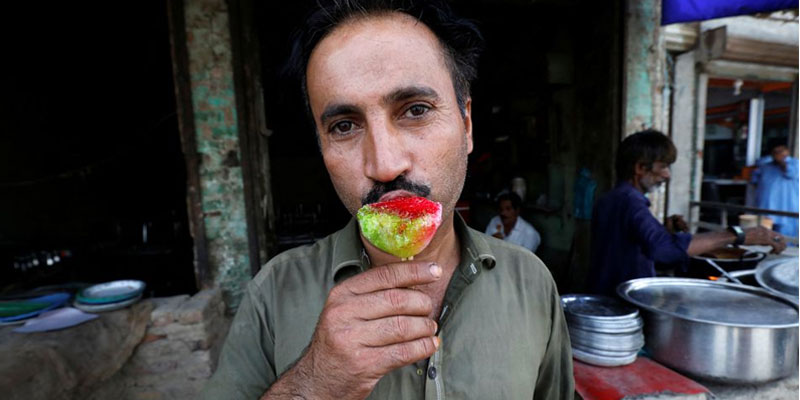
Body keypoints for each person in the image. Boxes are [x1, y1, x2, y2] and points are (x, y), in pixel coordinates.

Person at [202, 1, 573, 399]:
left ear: (466, 124)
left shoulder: (531, 282)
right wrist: (312, 383)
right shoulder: (273, 294)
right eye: (344, 126)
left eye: (415, 110)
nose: (384, 165)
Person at [588, 130, 787, 297]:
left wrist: (665, 230)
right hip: (619, 302)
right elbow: (664, 250)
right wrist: (738, 235)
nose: (667, 175)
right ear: (640, 168)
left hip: (606, 293)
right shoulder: (630, 202)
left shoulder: (612, 198)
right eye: (663, 167)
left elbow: (629, 244)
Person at [751, 144, 799, 239]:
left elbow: (791, 173)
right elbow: (754, 180)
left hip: (785, 208)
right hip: (766, 207)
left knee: (785, 237)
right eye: (776, 153)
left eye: (781, 153)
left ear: (787, 153)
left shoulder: (794, 164)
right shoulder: (765, 165)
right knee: (764, 236)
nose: (778, 155)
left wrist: (782, 161)